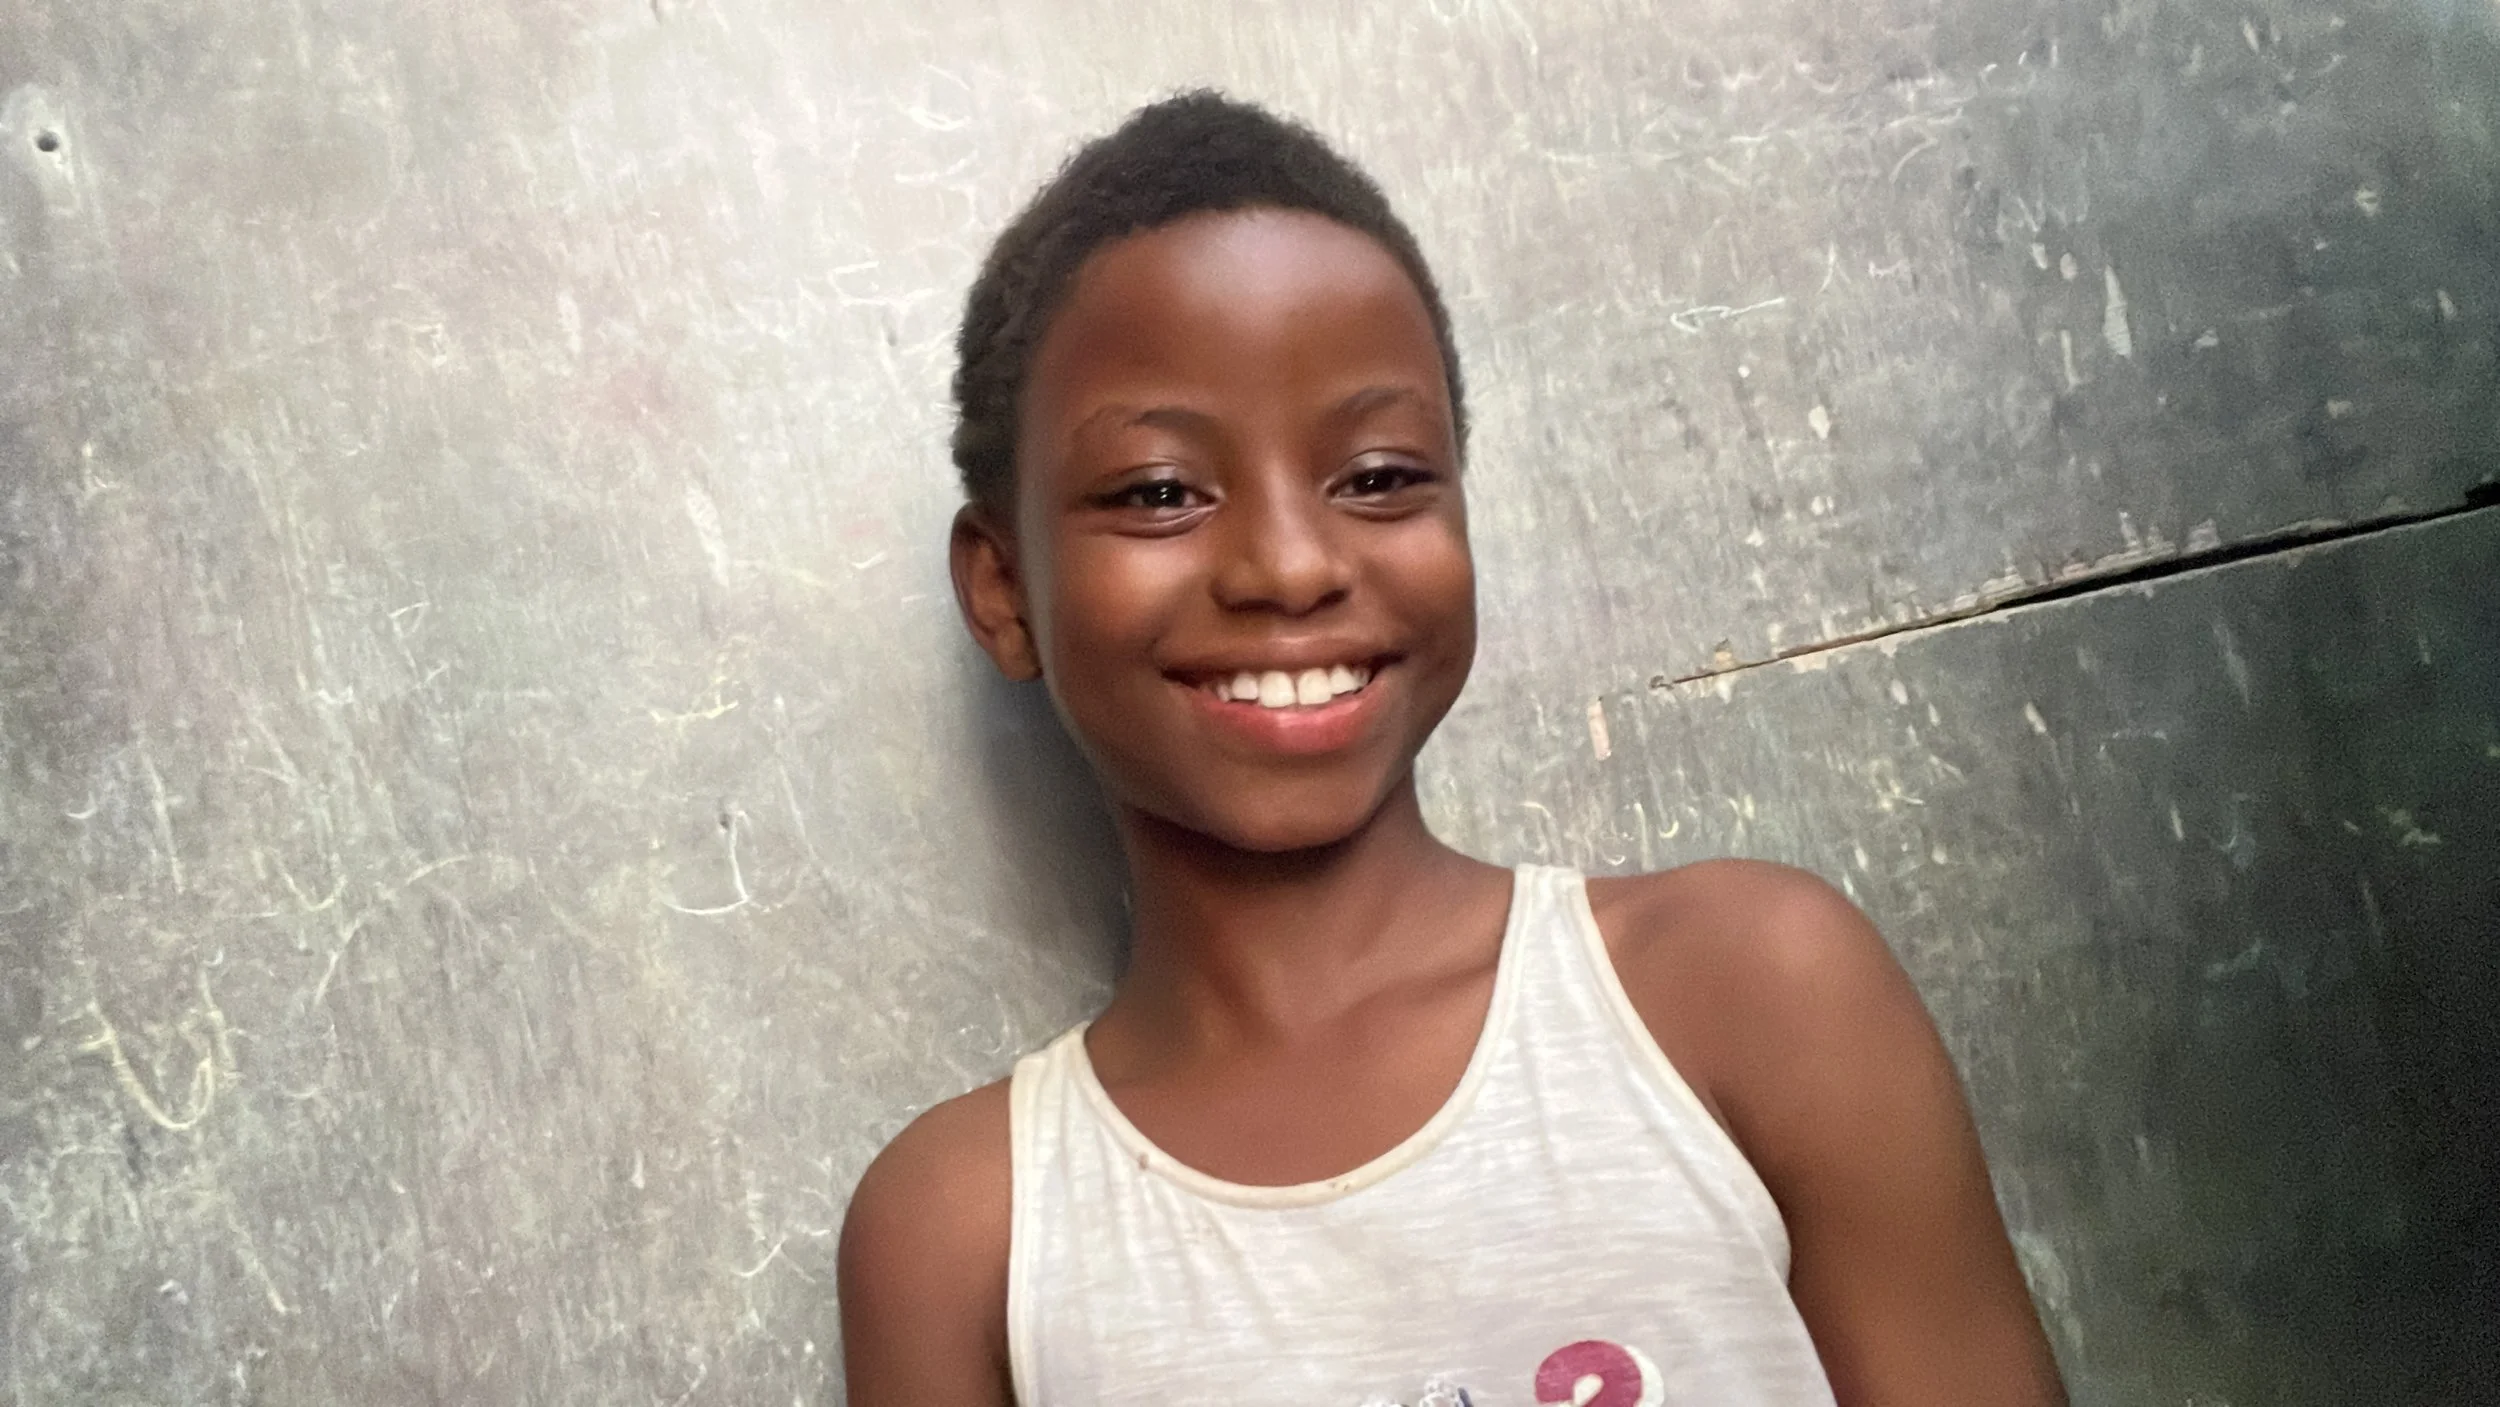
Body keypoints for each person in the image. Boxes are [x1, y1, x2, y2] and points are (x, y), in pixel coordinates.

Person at [838, 90, 2065, 1407]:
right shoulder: (970, 1234)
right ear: (1005, 587)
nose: (1292, 563)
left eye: (1376, 475)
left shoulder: (1746, 996)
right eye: (1158, 492)